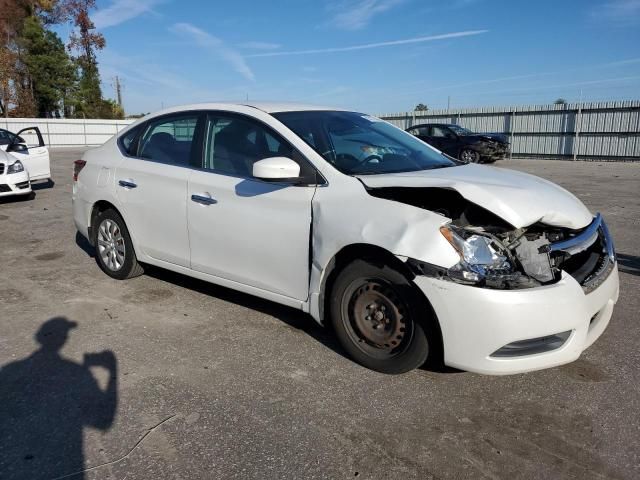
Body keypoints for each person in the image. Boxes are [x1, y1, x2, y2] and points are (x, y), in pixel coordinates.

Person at [0, 317, 117, 480]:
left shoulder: (8, 371)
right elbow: (103, 421)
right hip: (65, 466)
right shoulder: (76, 371)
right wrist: (112, 369)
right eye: (65, 333)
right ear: (62, 339)